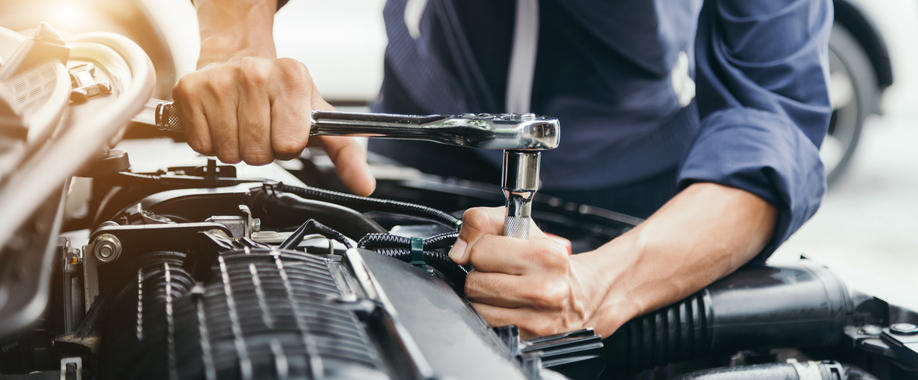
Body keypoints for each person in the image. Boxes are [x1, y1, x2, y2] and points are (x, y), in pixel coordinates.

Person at [173, 0, 832, 339]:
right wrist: (237, 39)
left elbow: (774, 117)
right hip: (424, 141)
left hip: (635, 191)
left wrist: (596, 288)